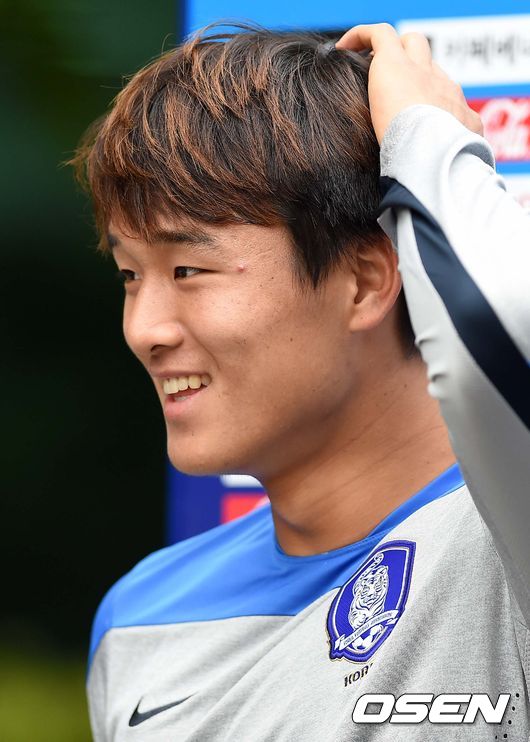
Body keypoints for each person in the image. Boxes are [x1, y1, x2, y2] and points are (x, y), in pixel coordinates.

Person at [72, 21, 530, 741]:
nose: (145, 329)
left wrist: (425, 133)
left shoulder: (507, 537)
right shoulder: (141, 619)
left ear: (365, 280)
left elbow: (501, 316)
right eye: (131, 276)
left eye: (188, 270)